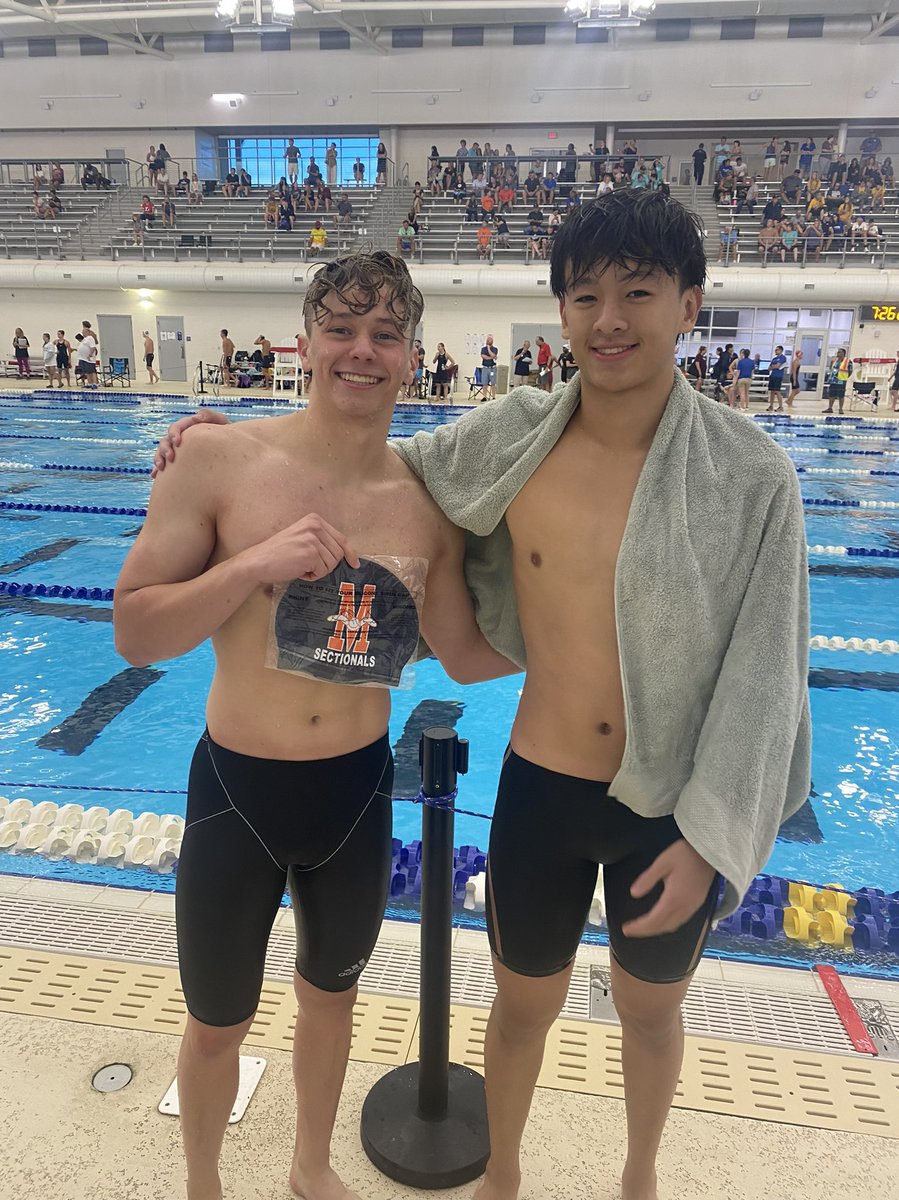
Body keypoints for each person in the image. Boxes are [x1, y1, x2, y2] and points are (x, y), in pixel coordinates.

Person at [157, 194, 811, 1200]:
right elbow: (367, 463)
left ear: (690, 306)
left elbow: (769, 671)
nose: (610, 319)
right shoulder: (514, 438)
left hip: (668, 804)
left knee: (649, 1012)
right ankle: (501, 1180)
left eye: (638, 293)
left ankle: (639, 1177)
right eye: (586, 296)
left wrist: (715, 831)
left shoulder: (751, 475)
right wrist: (222, 444)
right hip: (541, 789)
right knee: (518, 1011)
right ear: (559, 313)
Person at [118, 251, 516, 1200]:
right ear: (306, 341)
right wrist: (250, 568)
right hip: (238, 796)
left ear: (414, 356)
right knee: (217, 1020)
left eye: (385, 334)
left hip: (353, 796)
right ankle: (203, 1185)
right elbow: (136, 630)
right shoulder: (217, 458)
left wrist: (605, 646)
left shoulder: (427, 505)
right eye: (341, 328)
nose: (361, 351)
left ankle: (309, 1167)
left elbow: (463, 653)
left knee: (330, 1001)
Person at [823, 348, 853, 414]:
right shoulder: (835, 360)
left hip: (841, 381)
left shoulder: (848, 361)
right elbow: (831, 369)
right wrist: (831, 363)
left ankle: (841, 409)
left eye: (839, 352)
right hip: (833, 380)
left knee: (841, 395)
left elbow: (850, 371)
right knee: (831, 394)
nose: (837, 353)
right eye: (838, 352)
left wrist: (845, 377)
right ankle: (830, 408)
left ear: (843, 353)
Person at [766, 345, 788, 412]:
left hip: (778, 377)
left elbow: (778, 366)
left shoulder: (783, 357)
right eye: (775, 350)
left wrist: (774, 366)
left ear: (781, 350)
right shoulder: (774, 359)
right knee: (772, 391)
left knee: (777, 391)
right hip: (772, 376)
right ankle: (771, 406)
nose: (775, 351)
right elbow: (769, 368)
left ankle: (781, 407)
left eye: (777, 350)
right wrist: (774, 366)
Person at [480, 336, 499, 401]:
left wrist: (488, 349)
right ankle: (484, 396)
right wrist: (491, 357)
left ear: (492, 341)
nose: (488, 341)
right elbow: (483, 356)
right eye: (487, 340)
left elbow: (493, 355)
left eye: (490, 340)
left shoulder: (495, 349)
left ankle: (493, 396)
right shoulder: (483, 349)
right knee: (484, 383)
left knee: (493, 383)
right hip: (485, 368)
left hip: (492, 369)